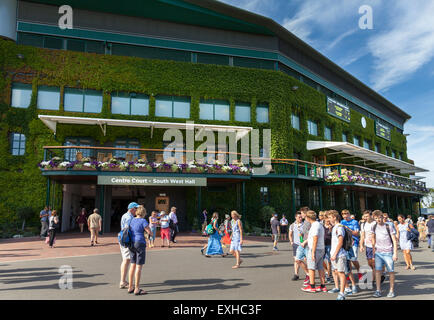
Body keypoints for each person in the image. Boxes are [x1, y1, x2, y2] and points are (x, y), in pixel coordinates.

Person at [371, 210, 398, 298]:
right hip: (378, 253)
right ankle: (378, 290)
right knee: (378, 271)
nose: (378, 220)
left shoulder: (389, 226)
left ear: (383, 217)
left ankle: (391, 290)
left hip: (388, 253)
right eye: (376, 218)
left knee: (391, 271)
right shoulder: (374, 226)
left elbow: (394, 240)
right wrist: (374, 251)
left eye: (379, 217)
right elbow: (373, 238)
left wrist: (395, 253)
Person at [127, 205, 152, 295]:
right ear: (143, 213)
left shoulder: (132, 220)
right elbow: (149, 232)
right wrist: (149, 234)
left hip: (131, 244)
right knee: (138, 266)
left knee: (132, 265)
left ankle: (130, 286)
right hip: (140, 243)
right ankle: (137, 288)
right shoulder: (143, 220)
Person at [301, 210, 327, 293]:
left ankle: (312, 286)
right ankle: (323, 286)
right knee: (320, 268)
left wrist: (312, 252)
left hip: (315, 249)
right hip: (321, 248)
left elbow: (315, 238)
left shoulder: (315, 225)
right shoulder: (318, 224)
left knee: (311, 268)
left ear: (308, 218)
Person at [327, 210, 348, 300]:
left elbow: (340, 241)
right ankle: (341, 289)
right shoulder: (334, 227)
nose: (328, 219)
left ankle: (342, 293)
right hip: (334, 254)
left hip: (339, 255)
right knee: (336, 272)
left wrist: (335, 253)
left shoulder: (339, 227)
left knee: (341, 273)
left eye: (330, 217)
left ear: (334, 217)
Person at [119, 202, 138, 290]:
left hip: (123, 239)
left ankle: (123, 280)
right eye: (135, 208)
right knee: (126, 259)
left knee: (126, 259)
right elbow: (127, 229)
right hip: (126, 240)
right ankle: (122, 281)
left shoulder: (126, 215)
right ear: (131, 209)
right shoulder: (129, 217)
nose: (136, 210)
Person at [341, 210, 362, 282]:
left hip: (354, 242)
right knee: (347, 260)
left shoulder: (354, 222)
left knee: (353, 259)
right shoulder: (342, 222)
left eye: (346, 214)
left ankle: (359, 271)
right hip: (346, 243)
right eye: (343, 214)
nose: (345, 216)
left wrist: (348, 229)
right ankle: (350, 275)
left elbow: (356, 233)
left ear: (349, 214)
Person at [296, 206, 311, 287]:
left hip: (308, 245)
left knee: (309, 263)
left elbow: (312, 235)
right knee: (297, 259)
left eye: (301, 213)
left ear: (305, 213)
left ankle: (310, 279)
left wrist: (305, 241)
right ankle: (308, 273)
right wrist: (301, 237)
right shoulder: (305, 222)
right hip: (302, 245)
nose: (301, 215)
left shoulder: (310, 222)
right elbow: (302, 232)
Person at [289, 211, 307, 281]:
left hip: (304, 244)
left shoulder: (304, 225)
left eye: (301, 217)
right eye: (299, 217)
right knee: (296, 260)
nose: (300, 218)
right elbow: (290, 234)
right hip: (296, 244)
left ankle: (308, 273)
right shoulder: (292, 225)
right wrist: (291, 242)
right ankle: (296, 274)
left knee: (305, 259)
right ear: (295, 217)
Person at [360, 210, 376, 278]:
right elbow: (363, 235)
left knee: (374, 262)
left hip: (376, 245)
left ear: (371, 216)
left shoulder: (375, 223)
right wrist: (361, 245)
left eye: (367, 216)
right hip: (368, 245)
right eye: (365, 216)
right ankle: (376, 274)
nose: (365, 218)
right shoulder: (363, 224)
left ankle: (375, 277)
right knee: (369, 263)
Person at [323, 213, 333, 284]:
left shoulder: (332, 227)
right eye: (327, 221)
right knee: (321, 260)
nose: (328, 222)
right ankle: (326, 271)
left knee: (329, 261)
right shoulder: (322, 227)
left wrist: (330, 229)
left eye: (329, 221)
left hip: (329, 245)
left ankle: (328, 276)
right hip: (322, 245)